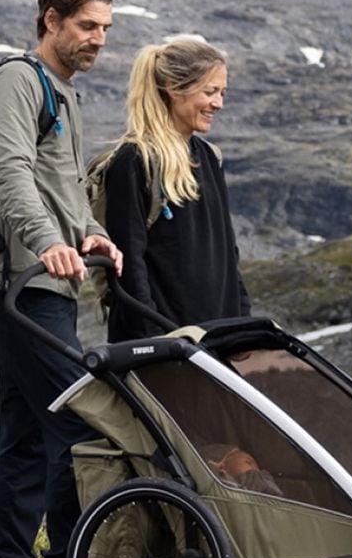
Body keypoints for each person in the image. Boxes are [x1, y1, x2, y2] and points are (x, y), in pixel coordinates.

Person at [0, 0, 123, 558]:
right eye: (87, 25)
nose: (98, 39)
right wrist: (43, 243)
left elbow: (60, 187)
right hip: (22, 286)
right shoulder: (17, 80)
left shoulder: (64, 94)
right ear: (50, 20)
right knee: (81, 426)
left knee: (29, 432)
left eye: (105, 29)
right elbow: (4, 168)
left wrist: (90, 234)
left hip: (52, 285)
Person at [89, 36, 250, 343]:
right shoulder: (134, 160)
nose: (219, 103)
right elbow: (127, 263)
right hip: (166, 345)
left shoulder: (209, 157)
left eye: (222, 93)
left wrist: (243, 326)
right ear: (175, 89)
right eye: (210, 92)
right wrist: (152, 339)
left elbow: (228, 254)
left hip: (215, 339)